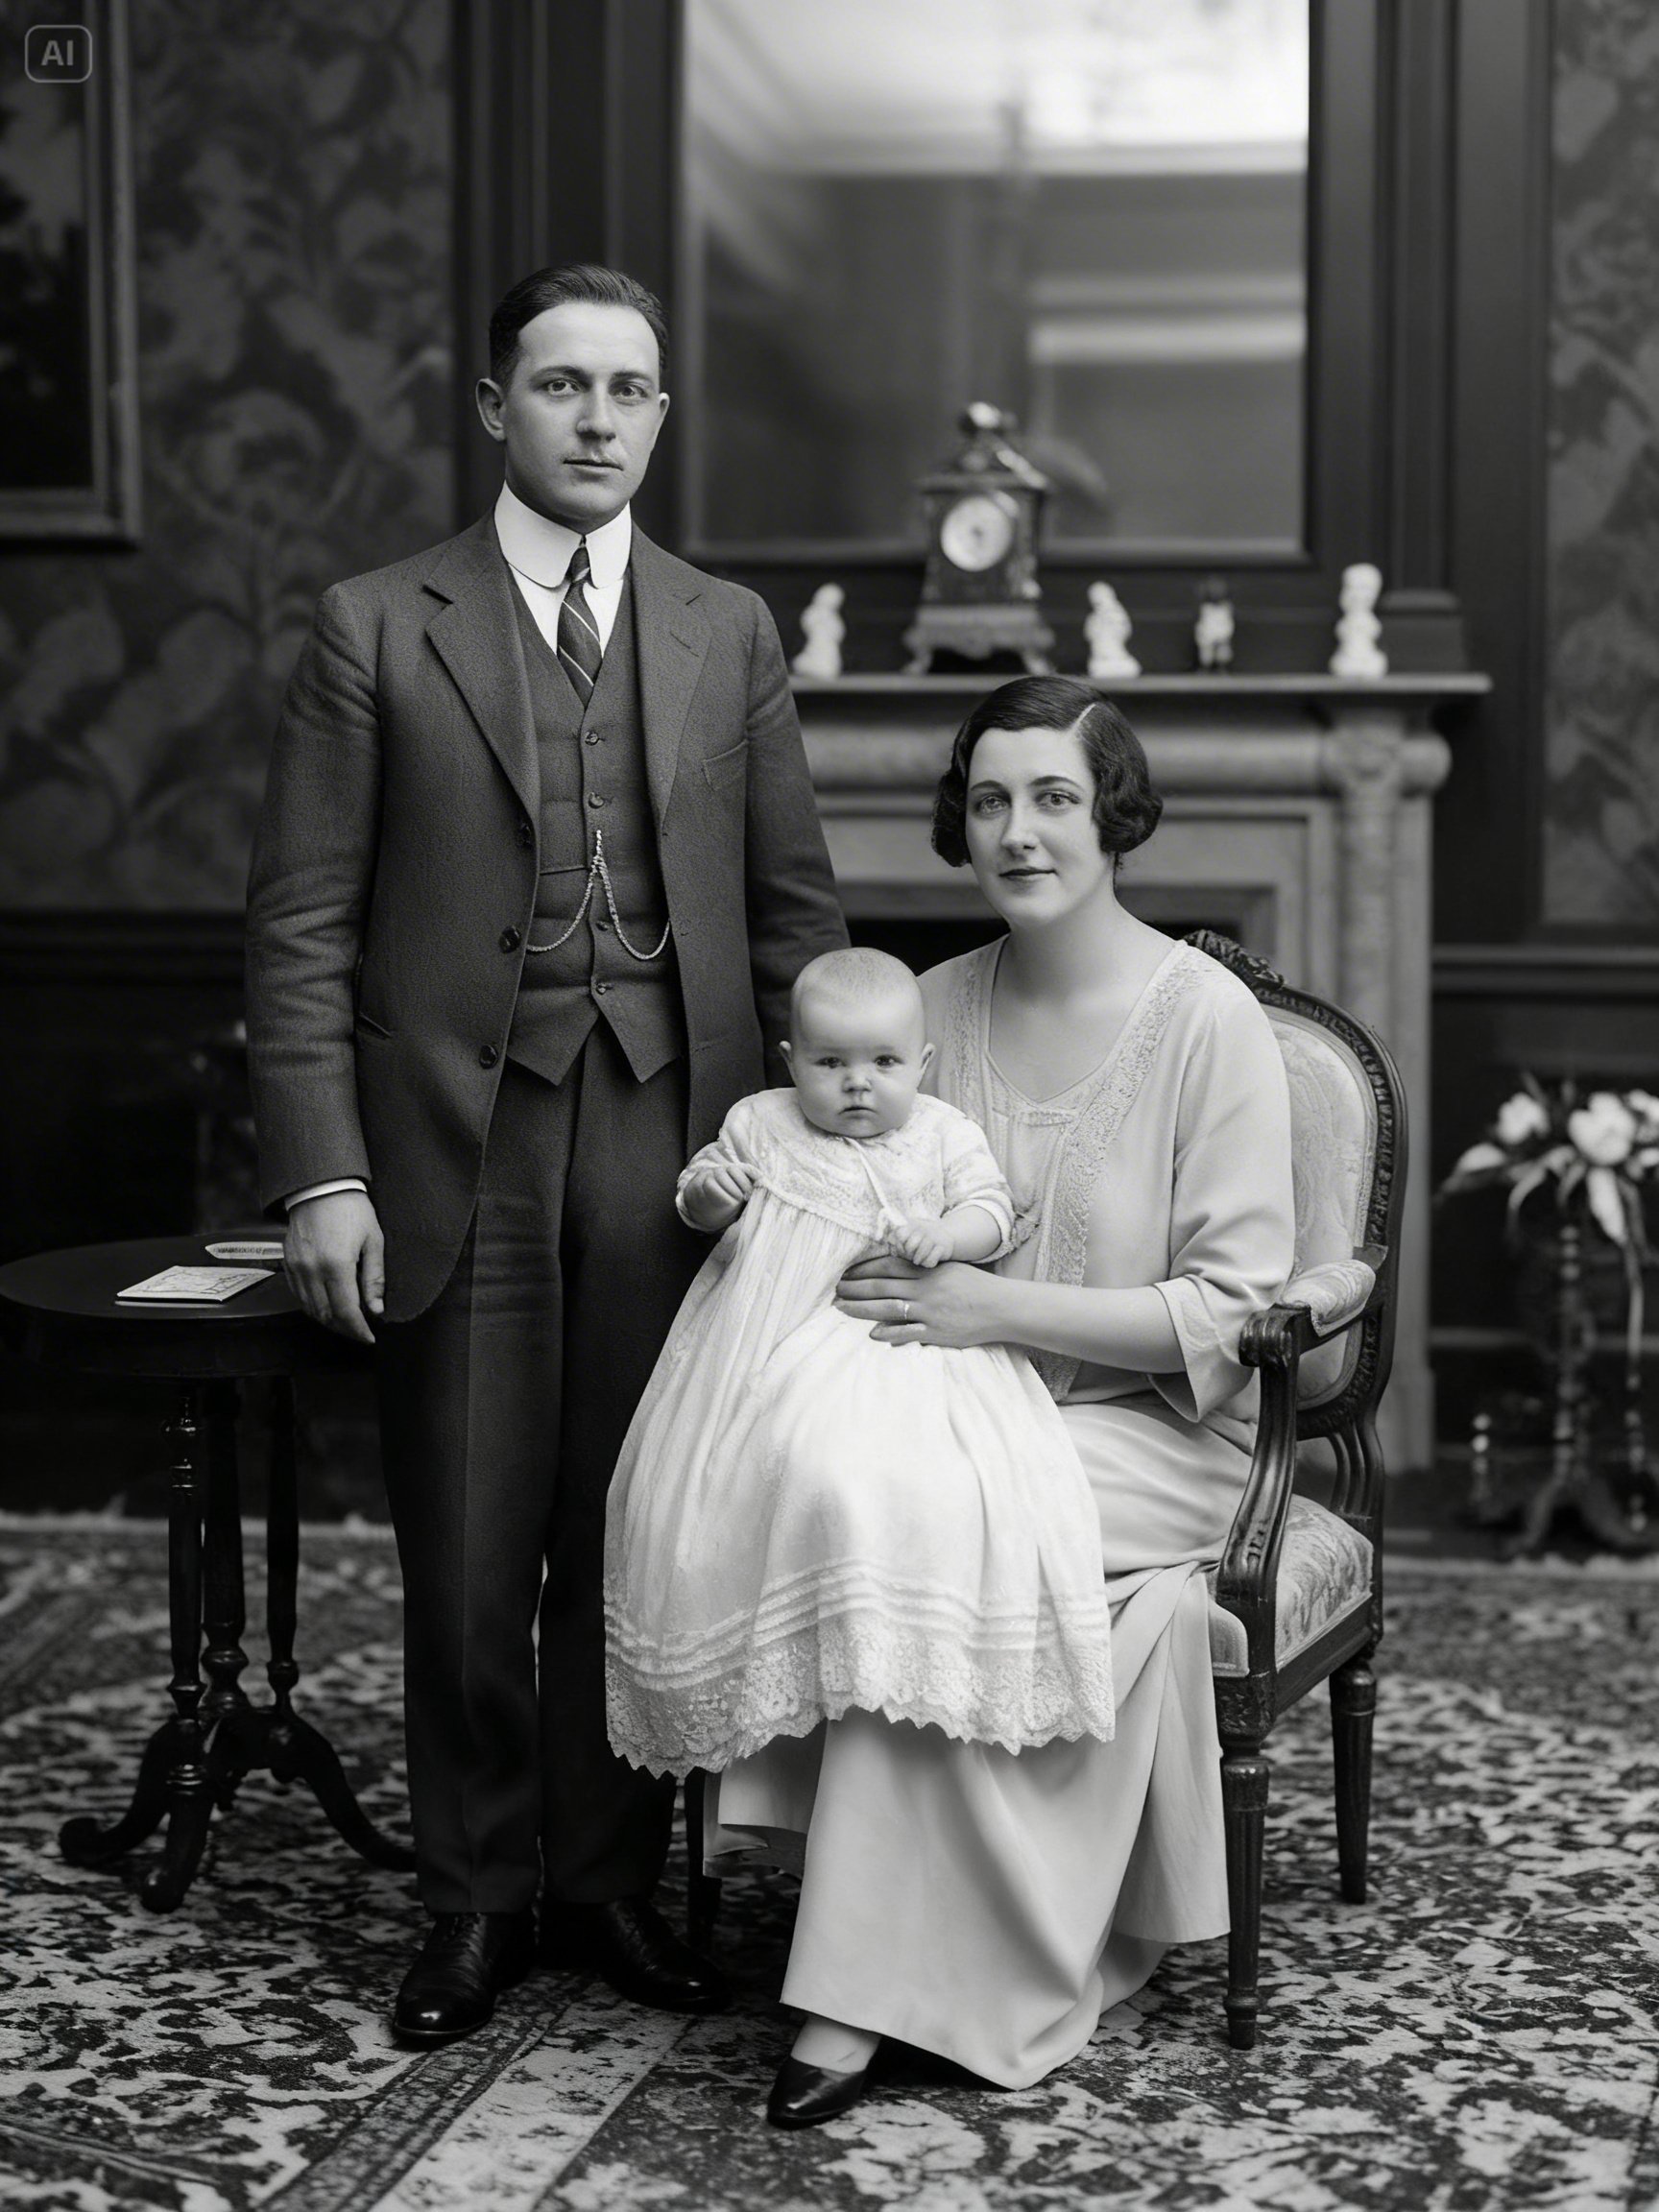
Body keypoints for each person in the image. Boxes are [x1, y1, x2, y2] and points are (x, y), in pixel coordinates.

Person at [244, 263, 846, 2046]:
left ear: (661, 414)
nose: (600, 419)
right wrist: (323, 1172)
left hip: (676, 1134)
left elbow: (797, 908)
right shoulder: (373, 623)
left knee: (634, 1531)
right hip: (456, 1134)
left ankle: (599, 1881)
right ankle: (473, 1896)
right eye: (565, 385)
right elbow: (297, 925)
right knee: (469, 1535)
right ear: (494, 406)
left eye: (633, 390)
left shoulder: (724, 629)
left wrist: (824, 1153)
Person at [701, 675, 1296, 2128]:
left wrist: (988, 1310)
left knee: (931, 1526)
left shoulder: (1206, 1020)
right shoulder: (925, 1011)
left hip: (1163, 1439)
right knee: (852, 1492)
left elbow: (1230, 1313)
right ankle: (928, 1946)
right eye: (989, 801)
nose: (1019, 832)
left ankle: (848, 2003)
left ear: (1115, 819)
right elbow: (830, 1201)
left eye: (1054, 799)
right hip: (947, 1416)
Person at [605, 946, 1115, 1783]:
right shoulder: (760, 1123)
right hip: (771, 1343)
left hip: (903, 1345)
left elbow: (992, 1210)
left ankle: (886, 1668)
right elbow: (700, 1194)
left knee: (913, 1474)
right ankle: (798, 1673)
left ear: (921, 1064)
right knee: (766, 1468)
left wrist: (947, 1238)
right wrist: (711, 1197)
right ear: (790, 1061)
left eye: (882, 1063)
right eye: (830, 1062)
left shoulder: (942, 1132)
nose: (857, 1084)